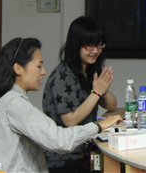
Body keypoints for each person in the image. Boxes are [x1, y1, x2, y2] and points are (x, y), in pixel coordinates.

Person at [0, 37, 122, 173]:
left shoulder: (5, 100)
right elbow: (60, 141)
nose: (43, 72)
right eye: (38, 66)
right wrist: (98, 126)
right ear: (18, 69)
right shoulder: (15, 104)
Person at [42, 17, 117, 173]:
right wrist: (96, 93)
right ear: (76, 44)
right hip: (64, 158)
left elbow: (112, 106)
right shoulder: (63, 75)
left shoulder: (88, 70)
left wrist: (103, 90)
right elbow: (70, 120)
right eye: (89, 46)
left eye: (99, 45)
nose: (95, 51)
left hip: (85, 150)